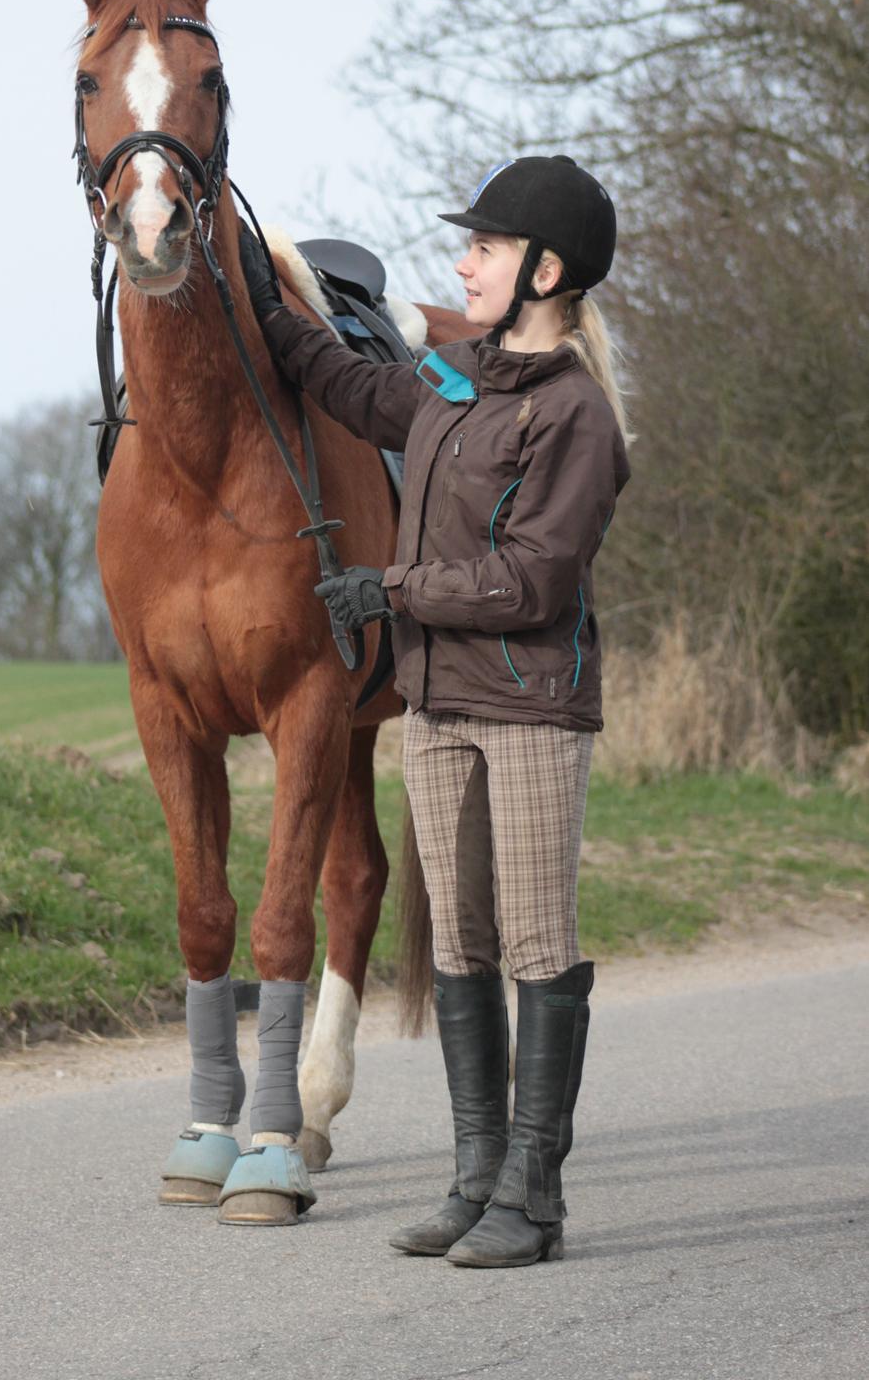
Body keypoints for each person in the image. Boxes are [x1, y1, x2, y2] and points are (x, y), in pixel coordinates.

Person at [238, 155, 632, 1268]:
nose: (461, 263)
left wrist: (392, 590)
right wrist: (273, 311)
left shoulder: (574, 417)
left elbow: (530, 581)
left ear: (545, 271)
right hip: (436, 703)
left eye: (486, 250)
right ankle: (472, 1179)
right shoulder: (459, 384)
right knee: (453, 941)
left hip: (529, 708)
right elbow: (364, 394)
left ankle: (533, 1197)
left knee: (534, 943)